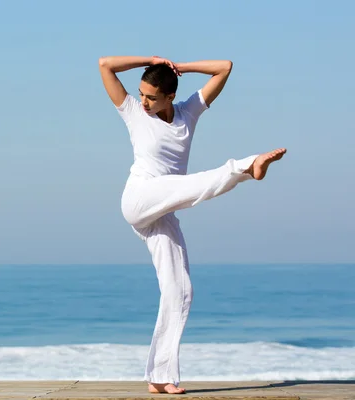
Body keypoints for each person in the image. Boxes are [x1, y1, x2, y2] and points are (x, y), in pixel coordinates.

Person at [98, 55, 286, 394]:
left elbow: (225, 67)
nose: (144, 102)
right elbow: (105, 65)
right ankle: (246, 166)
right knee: (193, 184)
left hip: (163, 211)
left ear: (170, 97)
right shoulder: (132, 112)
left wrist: (181, 68)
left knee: (180, 290)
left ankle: (160, 376)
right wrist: (150, 60)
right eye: (142, 94)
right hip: (140, 198)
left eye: (152, 97)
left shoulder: (188, 113)